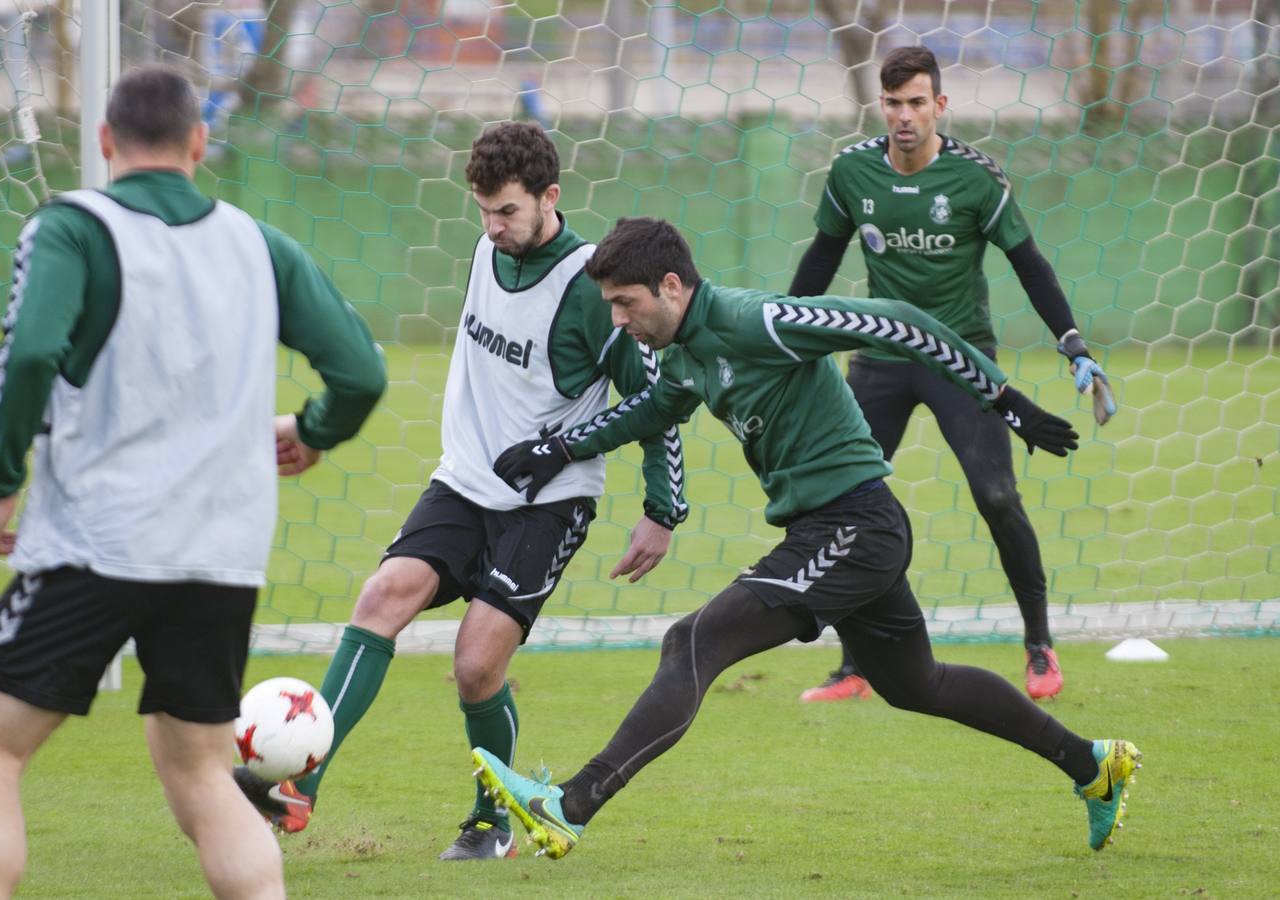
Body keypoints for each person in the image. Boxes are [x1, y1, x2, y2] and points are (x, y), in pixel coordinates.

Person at [477, 216, 1141, 859]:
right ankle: (1091, 763)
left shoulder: (756, 321)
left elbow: (898, 322)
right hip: (840, 533)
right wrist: (560, 448)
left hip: (855, 525)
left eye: (626, 303)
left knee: (693, 640)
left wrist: (1003, 400)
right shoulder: (680, 356)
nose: (618, 320)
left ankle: (568, 806)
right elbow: (653, 410)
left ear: (672, 286)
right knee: (917, 685)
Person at [0, 64, 387, 899]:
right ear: (199, 144)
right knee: (200, 776)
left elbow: (30, 353)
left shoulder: (73, 227)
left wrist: (3, 483)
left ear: (106, 142)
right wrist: (312, 431)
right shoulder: (261, 242)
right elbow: (360, 372)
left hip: (97, 545)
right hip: (221, 556)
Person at [232, 122, 689, 860]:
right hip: (465, 479)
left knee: (476, 666)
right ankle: (297, 786)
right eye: (483, 211)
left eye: (507, 211)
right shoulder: (489, 247)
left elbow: (657, 401)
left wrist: (661, 512)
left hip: (550, 499)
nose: (493, 227)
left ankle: (490, 820)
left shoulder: (586, 288)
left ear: (550, 197)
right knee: (382, 597)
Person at [791, 45, 1116, 704]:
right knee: (843, 503)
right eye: (893, 104)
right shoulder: (853, 173)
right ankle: (854, 663)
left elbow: (1030, 264)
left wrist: (1072, 343)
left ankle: (1039, 645)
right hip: (880, 355)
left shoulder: (977, 180)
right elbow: (821, 259)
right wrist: (786, 335)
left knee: (996, 496)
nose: (904, 116)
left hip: (962, 359)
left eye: (916, 102)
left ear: (940, 105)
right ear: (880, 107)